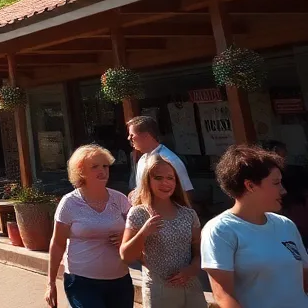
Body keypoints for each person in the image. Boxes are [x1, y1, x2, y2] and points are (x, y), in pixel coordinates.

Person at [201, 144, 308, 307]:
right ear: (250, 186)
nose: (283, 190)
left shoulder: (285, 225)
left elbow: (304, 278)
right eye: (276, 183)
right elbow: (223, 295)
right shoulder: (221, 230)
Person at [47, 144, 133, 308]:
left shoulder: (120, 200)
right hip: (82, 282)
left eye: (105, 166)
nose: (103, 171)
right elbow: (57, 243)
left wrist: (127, 238)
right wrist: (50, 283)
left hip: (119, 280)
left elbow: (136, 232)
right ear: (81, 171)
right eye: (95, 167)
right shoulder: (69, 203)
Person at [120, 153, 208, 308]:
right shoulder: (138, 213)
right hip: (159, 288)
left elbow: (199, 251)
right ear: (147, 181)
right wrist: (144, 232)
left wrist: (191, 270)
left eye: (170, 178)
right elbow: (125, 256)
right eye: (158, 178)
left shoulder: (188, 214)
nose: (165, 183)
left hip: (191, 286)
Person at [128, 116, 193, 200]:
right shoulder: (142, 159)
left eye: (132, 135)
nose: (129, 138)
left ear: (146, 135)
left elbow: (186, 192)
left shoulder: (170, 160)